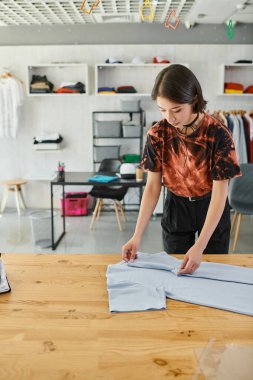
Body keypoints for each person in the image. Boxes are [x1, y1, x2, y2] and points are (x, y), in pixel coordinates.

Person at [122, 64, 241, 275]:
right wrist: (137, 235)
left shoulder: (218, 134)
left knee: (213, 274)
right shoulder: (157, 134)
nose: (170, 117)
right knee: (175, 275)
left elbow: (220, 193)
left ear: (194, 99)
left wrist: (200, 246)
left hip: (211, 206)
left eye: (176, 110)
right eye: (163, 110)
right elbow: (152, 187)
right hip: (176, 207)